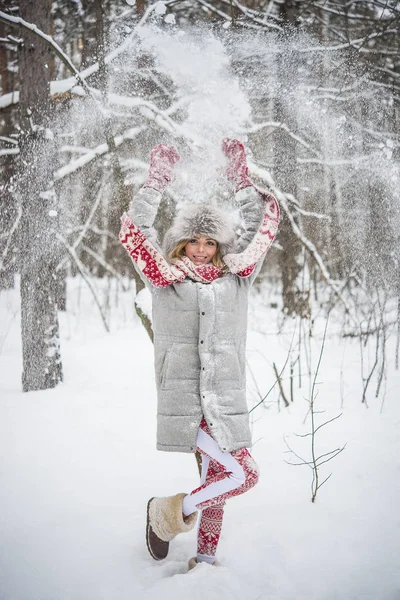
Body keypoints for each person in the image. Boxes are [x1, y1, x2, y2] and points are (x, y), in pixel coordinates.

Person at [119, 139, 280, 570]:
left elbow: (257, 223)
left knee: (219, 477)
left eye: (210, 241)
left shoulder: (237, 277)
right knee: (244, 475)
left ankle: (204, 559)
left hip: (225, 403)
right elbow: (135, 229)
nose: (203, 249)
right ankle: (169, 514)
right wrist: (156, 182)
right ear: (181, 242)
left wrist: (240, 181)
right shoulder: (164, 279)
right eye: (194, 240)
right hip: (187, 404)